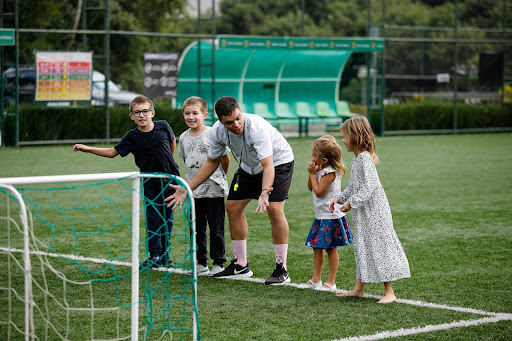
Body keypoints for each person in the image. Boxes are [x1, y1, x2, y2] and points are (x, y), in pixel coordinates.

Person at [167, 96, 294, 285]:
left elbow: (268, 166)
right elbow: (211, 162)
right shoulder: (217, 133)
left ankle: (281, 268)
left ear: (240, 111)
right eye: (229, 122)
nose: (236, 124)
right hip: (248, 167)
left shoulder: (256, 127)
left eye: (238, 118)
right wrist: (188, 188)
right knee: (233, 207)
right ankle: (240, 265)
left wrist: (265, 191)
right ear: (220, 121)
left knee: (274, 209)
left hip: (278, 162)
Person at [73, 95, 180, 270]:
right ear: (131, 116)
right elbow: (112, 152)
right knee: (153, 219)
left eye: (145, 111)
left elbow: (172, 142)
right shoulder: (132, 137)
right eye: (137, 112)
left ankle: (165, 256)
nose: (141, 115)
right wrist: (87, 149)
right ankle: (154, 256)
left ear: (152, 112)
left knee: (167, 219)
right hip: (150, 183)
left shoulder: (163, 126)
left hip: (171, 182)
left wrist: (170, 163)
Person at [329, 116, 410, 304]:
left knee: (379, 246)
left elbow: (369, 187)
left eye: (345, 137)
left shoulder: (365, 158)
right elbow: (353, 186)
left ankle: (389, 291)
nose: (342, 141)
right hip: (363, 212)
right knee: (362, 246)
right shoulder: (357, 159)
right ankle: (359, 288)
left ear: (355, 137)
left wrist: (351, 203)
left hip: (375, 212)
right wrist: (339, 198)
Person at [178, 96, 230, 276]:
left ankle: (218, 262)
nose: (191, 117)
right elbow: (185, 159)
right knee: (196, 227)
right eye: (187, 113)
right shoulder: (183, 137)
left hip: (214, 190)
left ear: (205, 115)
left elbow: (225, 159)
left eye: (195, 113)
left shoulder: (213, 134)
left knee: (216, 227)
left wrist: (220, 178)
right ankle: (201, 261)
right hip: (193, 191)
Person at [298, 135, 353, 292]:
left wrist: (311, 174)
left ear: (324, 160)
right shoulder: (321, 170)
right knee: (317, 247)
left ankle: (331, 282)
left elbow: (319, 192)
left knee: (330, 249)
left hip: (331, 217)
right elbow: (311, 187)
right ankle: (316, 279)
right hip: (321, 216)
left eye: (314, 154)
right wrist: (313, 173)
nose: (311, 156)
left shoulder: (329, 172)